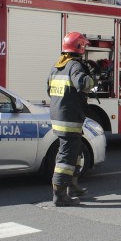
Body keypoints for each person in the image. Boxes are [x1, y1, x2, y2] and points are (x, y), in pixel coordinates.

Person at [47, 31, 95, 206]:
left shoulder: (57, 66)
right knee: (66, 157)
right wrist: (93, 79)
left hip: (58, 116)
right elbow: (83, 84)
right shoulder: (74, 66)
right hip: (70, 118)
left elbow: (49, 90)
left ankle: (73, 186)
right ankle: (60, 196)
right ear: (79, 47)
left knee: (75, 150)